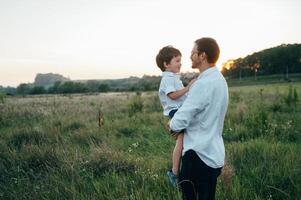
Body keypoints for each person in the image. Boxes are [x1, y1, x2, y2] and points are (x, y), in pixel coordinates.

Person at [169, 37, 229, 200]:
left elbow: (178, 121)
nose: (190, 56)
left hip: (197, 156)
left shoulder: (202, 84)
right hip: (214, 156)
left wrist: (173, 124)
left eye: (193, 53)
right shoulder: (221, 80)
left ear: (202, 55)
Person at [156, 45, 196, 187]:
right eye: (177, 61)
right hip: (175, 111)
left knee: (185, 140)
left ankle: (182, 169)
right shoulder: (167, 79)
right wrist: (188, 88)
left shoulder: (174, 77)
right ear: (166, 64)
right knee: (181, 141)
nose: (180, 63)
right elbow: (172, 96)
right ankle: (174, 172)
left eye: (180, 60)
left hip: (180, 110)